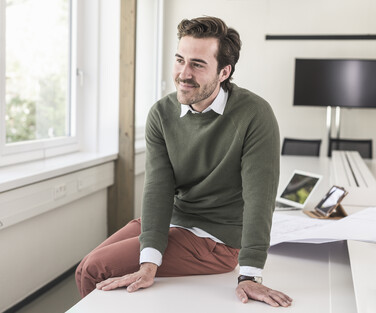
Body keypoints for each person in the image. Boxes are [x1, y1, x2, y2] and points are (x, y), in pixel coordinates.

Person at [75, 16, 293, 307]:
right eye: (180, 60)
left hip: (218, 239)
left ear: (224, 72)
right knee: (85, 268)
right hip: (177, 220)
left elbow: (259, 198)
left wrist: (250, 275)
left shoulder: (254, 114)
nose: (183, 73)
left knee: (95, 268)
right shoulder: (161, 114)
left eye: (197, 64)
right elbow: (157, 188)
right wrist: (149, 260)